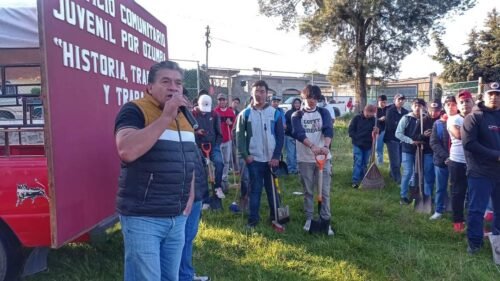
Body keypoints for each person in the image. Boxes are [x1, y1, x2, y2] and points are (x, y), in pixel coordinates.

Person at [114, 60, 196, 281]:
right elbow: (127, 150)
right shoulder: (134, 109)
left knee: (171, 277)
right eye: (165, 81)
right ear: (149, 87)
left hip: (177, 216)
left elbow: (189, 157)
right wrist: (166, 117)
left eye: (178, 83)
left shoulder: (184, 116)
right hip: (143, 217)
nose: (173, 87)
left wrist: (190, 194)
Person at [236, 80, 284, 229]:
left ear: (267, 93)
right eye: (256, 91)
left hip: (271, 161)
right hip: (254, 160)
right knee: (255, 191)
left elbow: (280, 136)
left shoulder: (275, 113)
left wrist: (276, 156)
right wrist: (245, 155)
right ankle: (253, 220)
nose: (259, 94)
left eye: (262, 91)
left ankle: (275, 217)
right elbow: (239, 137)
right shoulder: (245, 114)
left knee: (272, 191)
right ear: (252, 93)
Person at [462, 82, 500, 255]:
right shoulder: (474, 117)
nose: (494, 97)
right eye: (491, 94)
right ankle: (475, 244)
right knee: (477, 209)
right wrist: (495, 155)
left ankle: (497, 241)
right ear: (483, 97)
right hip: (480, 172)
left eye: (498, 94)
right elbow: (469, 143)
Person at [291, 85, 334, 235]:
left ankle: (325, 220)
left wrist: (326, 146)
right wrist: (312, 146)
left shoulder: (324, 112)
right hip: (305, 158)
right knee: (308, 191)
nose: (312, 101)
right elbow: (298, 133)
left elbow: (328, 129)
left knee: (324, 191)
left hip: (323, 157)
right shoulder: (297, 115)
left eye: (315, 98)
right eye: (310, 97)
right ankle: (310, 218)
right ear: (304, 97)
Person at [395, 98, 434, 205]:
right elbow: (398, 134)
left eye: (420, 106)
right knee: (408, 172)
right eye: (416, 105)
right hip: (408, 149)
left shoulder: (426, 119)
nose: (418, 108)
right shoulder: (406, 118)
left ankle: (421, 195)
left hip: (422, 150)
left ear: (424, 107)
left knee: (421, 173)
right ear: (412, 107)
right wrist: (411, 141)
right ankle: (403, 196)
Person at [179, 150, 210, 281]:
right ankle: (184, 276)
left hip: (197, 191)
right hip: (185, 194)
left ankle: (186, 274)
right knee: (183, 238)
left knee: (188, 236)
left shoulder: (187, 132)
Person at [448, 90, 474, 232]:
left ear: (473, 103)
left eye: (467, 101)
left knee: (473, 193)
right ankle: (458, 221)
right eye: (461, 102)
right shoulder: (453, 119)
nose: (464, 105)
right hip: (457, 161)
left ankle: (472, 220)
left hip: (474, 162)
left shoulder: (478, 117)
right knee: (458, 192)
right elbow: (459, 136)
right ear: (458, 105)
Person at [192, 94, 225, 200]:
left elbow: (219, 133)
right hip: (199, 147)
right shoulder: (192, 114)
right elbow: (188, 130)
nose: (205, 111)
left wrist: (216, 146)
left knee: (219, 163)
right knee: (202, 171)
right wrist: (196, 132)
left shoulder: (215, 114)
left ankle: (218, 187)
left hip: (213, 146)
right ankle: (205, 196)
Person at [348, 104, 379, 189]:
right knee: (358, 161)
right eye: (368, 113)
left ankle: (363, 179)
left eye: (372, 114)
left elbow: (377, 132)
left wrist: (377, 130)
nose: (369, 115)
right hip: (358, 144)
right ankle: (355, 181)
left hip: (368, 145)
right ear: (365, 110)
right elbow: (351, 130)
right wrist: (356, 138)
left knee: (364, 163)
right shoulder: (357, 118)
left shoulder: (374, 120)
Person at [429, 102, 451, 220]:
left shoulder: (462, 120)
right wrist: (446, 157)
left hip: (458, 161)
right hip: (441, 160)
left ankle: (455, 209)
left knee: (456, 187)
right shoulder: (438, 123)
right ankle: (439, 210)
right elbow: (434, 142)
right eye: (448, 105)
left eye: (453, 105)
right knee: (440, 187)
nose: (450, 107)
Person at [384, 93, 408, 184]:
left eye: (403, 99)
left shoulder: (405, 112)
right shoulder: (390, 110)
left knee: (400, 160)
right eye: (399, 99)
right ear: (395, 100)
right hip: (392, 139)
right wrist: (401, 126)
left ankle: (391, 174)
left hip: (402, 139)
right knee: (395, 161)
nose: (401, 101)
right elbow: (390, 125)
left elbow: (407, 124)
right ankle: (398, 180)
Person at [214, 93, 236, 190]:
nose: (222, 101)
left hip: (228, 140)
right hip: (218, 141)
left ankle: (224, 178)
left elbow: (234, 125)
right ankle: (217, 178)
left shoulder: (231, 112)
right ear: (217, 101)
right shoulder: (214, 112)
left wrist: (230, 123)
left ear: (226, 101)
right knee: (219, 161)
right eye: (220, 100)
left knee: (227, 161)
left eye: (223, 100)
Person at [284, 98, 302, 174]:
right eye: (296, 103)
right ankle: (291, 170)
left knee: (298, 154)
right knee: (290, 154)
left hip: (300, 138)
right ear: (293, 104)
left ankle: (298, 169)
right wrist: (291, 131)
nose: (297, 104)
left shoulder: (302, 113)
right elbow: (285, 125)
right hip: (290, 137)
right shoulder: (288, 113)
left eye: (298, 103)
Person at [376, 95, 388, 164]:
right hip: (379, 131)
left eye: (385, 102)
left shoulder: (388, 109)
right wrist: (379, 119)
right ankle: (380, 162)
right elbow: (372, 120)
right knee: (379, 148)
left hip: (388, 130)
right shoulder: (375, 109)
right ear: (378, 101)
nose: (384, 104)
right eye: (382, 102)